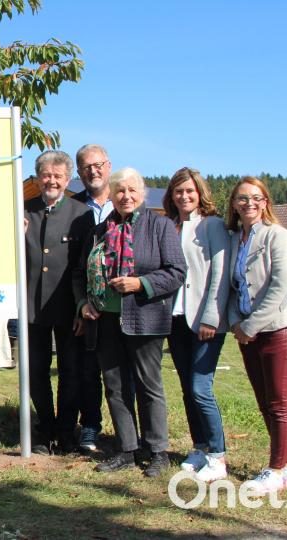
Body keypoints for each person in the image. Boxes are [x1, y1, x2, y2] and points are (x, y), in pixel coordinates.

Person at [77, 167, 185, 477]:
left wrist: (141, 284)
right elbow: (83, 272)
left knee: (149, 386)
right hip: (106, 318)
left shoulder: (159, 226)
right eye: (119, 190)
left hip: (145, 317)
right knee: (115, 387)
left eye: (131, 190)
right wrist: (85, 302)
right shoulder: (100, 231)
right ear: (110, 195)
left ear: (142, 194)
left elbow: (176, 272)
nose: (125, 196)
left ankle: (157, 451)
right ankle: (127, 449)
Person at [225, 176, 287, 494]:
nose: (249, 203)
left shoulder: (277, 236)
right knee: (264, 402)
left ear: (265, 201)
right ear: (234, 204)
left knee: (278, 404)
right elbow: (232, 287)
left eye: (256, 198)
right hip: (246, 333)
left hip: (277, 330)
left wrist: (251, 325)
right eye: (242, 198)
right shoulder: (235, 239)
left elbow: (280, 287)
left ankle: (274, 470)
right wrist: (236, 323)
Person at [23, 150, 94, 454]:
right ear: (38, 178)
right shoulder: (23, 211)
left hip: (68, 307)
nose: (51, 180)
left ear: (67, 180)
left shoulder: (81, 214)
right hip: (31, 306)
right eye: (46, 175)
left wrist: (82, 305)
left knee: (71, 372)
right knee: (36, 371)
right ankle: (44, 429)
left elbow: (85, 264)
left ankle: (66, 430)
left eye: (57, 175)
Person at [162, 167, 230, 481]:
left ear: (200, 192)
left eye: (190, 191)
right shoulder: (170, 225)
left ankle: (218, 455)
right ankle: (200, 446)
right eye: (179, 191)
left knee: (201, 388)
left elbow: (220, 272)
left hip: (203, 319)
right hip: (174, 319)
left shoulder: (212, 225)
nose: (184, 196)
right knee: (188, 389)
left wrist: (211, 317)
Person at [66, 143, 114, 452]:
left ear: (108, 166)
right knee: (88, 370)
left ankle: (131, 432)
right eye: (85, 167)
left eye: (97, 165)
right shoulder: (75, 209)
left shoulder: (128, 201)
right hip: (88, 308)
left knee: (123, 374)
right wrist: (80, 304)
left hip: (125, 306)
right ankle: (91, 426)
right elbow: (73, 265)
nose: (92, 171)